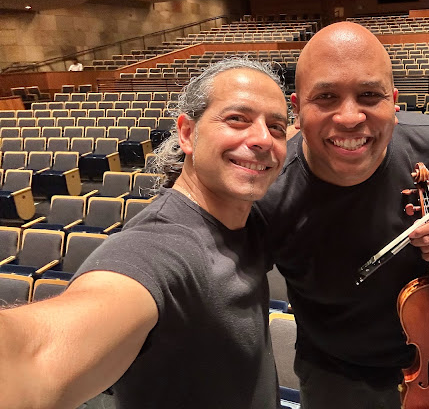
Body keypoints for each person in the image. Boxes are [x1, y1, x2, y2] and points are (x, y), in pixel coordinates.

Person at [0, 58, 289, 409]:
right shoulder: (161, 247)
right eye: (237, 119)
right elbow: (34, 355)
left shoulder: (249, 219)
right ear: (187, 134)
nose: (262, 138)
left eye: (276, 127)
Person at [254, 22, 429, 409]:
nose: (350, 117)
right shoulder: (268, 190)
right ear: (296, 110)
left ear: (394, 102)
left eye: (370, 95)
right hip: (335, 373)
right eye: (326, 97)